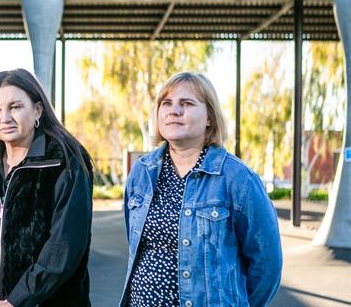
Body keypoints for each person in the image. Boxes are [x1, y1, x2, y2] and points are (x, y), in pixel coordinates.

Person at [120, 72, 282, 307]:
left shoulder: (238, 179)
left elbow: (267, 265)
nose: (174, 110)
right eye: (166, 103)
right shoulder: (141, 172)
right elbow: (135, 243)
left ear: (210, 117)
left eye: (186, 103)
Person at [0, 69, 93, 307]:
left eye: (15, 107)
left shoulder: (65, 162)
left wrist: (16, 301)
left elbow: (63, 248)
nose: (5, 118)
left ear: (37, 110)